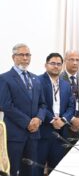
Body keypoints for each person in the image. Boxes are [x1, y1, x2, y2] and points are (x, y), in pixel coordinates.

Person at [0, 43, 46, 176]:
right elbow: (6, 105)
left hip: (33, 134)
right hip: (15, 134)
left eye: (28, 55)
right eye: (22, 55)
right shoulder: (4, 78)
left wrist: (38, 118)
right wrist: (27, 122)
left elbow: (43, 104)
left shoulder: (35, 79)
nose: (25, 58)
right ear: (13, 57)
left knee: (30, 171)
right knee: (14, 170)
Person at [37, 53, 75, 176]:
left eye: (59, 64)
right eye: (52, 63)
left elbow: (71, 106)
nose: (56, 66)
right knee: (37, 169)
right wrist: (53, 120)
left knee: (57, 170)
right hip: (43, 131)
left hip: (61, 132)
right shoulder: (38, 81)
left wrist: (63, 120)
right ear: (46, 65)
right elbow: (39, 105)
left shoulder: (66, 85)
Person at [60, 50, 79, 134]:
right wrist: (72, 119)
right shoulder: (58, 79)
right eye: (71, 59)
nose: (75, 63)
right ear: (65, 61)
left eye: (77, 60)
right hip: (63, 124)